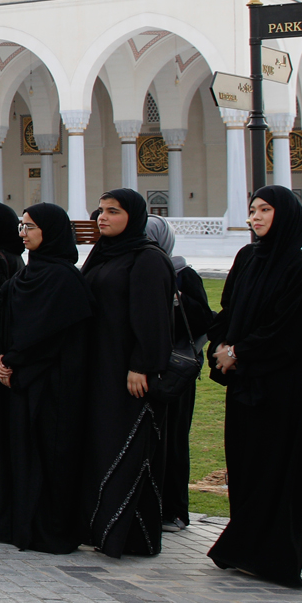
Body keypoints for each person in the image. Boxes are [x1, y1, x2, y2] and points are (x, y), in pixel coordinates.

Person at [206, 184, 302, 588]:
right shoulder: (248, 257)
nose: (254, 217)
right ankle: (244, 546)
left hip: (278, 389)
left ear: (284, 215)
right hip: (243, 386)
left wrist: (239, 352)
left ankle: (274, 557)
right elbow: (228, 309)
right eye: (252, 210)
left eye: (264, 210)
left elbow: (286, 332)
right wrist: (221, 347)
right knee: (245, 467)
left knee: (277, 469)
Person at [0, 202, 92, 554]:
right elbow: (4, 321)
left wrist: (14, 361)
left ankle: (46, 529)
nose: (23, 233)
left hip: (51, 386)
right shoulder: (25, 275)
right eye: (21, 227)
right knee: (17, 454)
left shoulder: (65, 279)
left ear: (50, 231)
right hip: (16, 382)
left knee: (48, 458)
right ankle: (15, 521)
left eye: (30, 227)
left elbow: (51, 333)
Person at [77, 189, 176, 558]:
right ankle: (99, 528)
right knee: (100, 447)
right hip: (99, 368)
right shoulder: (103, 255)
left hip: (129, 374)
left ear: (133, 217)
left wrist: (143, 365)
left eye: (113, 211)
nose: (103, 217)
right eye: (100, 211)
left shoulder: (147, 259)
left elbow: (153, 319)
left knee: (128, 449)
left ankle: (131, 537)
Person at [143, 214, 211, 532]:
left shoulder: (183, 274)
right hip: (141, 370)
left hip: (173, 373)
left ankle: (174, 510)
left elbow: (201, 320)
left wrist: (173, 298)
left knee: (172, 440)